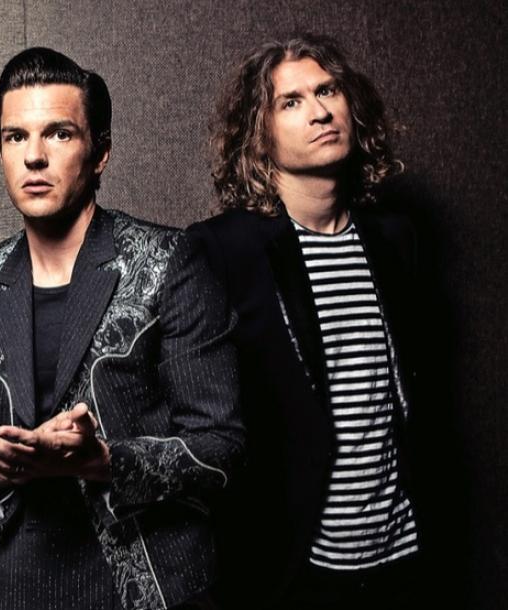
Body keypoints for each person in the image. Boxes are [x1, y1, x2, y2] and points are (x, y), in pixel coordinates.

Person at [0, 47, 243, 610]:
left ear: (100, 153)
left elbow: (220, 445)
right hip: (12, 583)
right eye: (16, 137)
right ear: (0, 151)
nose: (34, 156)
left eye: (59, 134)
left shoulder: (168, 262)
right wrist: (5, 465)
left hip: (144, 580)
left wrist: (104, 462)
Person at [189, 34, 429, 609]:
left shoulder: (396, 240)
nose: (319, 111)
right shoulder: (223, 250)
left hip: (402, 555)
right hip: (296, 569)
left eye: (328, 91)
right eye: (291, 101)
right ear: (259, 132)